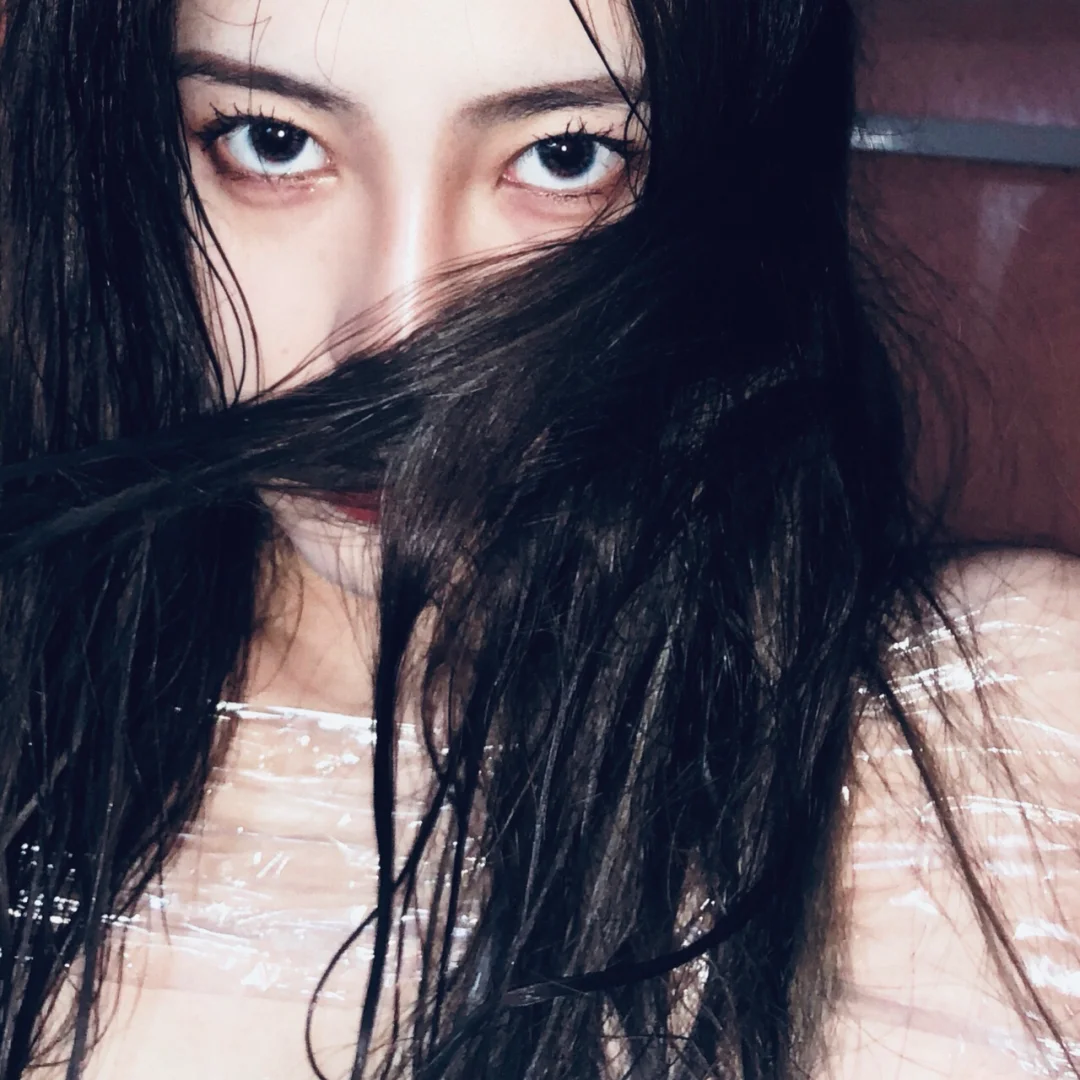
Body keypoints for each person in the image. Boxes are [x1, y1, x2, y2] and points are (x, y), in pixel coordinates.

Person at [0, 0, 1078, 1078]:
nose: (396, 343)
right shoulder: (31, 745)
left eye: (567, 157)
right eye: (271, 141)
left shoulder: (1002, 746)